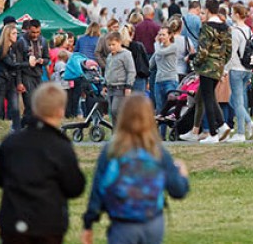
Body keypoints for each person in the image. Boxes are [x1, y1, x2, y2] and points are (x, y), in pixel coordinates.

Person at [81, 94, 189, 244]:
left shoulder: (112, 151)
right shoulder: (157, 152)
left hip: (122, 223)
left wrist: (89, 222)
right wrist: (182, 175)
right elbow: (178, 190)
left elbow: (98, 188)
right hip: (152, 222)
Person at [0, 83, 86, 244]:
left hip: (13, 221)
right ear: (60, 110)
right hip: (48, 224)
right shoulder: (60, 146)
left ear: (34, 107)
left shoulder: (12, 142)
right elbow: (75, 187)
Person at [180, 0, 232, 144]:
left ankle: (214, 133)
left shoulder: (207, 27)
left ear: (208, 10)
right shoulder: (226, 27)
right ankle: (220, 126)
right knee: (204, 97)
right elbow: (229, 50)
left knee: (208, 99)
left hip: (206, 67)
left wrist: (195, 62)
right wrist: (221, 63)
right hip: (218, 67)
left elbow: (202, 51)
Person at [0, 23, 33, 145]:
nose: (16, 36)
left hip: (11, 83)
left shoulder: (13, 49)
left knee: (15, 110)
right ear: (7, 35)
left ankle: (18, 135)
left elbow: (16, 65)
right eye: (14, 33)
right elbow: (12, 65)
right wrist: (28, 63)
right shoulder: (2, 50)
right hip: (1, 83)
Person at [224, 4, 253, 142]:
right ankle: (249, 122)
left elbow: (231, 53)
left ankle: (241, 133)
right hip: (247, 69)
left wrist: (225, 69)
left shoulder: (235, 31)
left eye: (232, 12)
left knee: (237, 101)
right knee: (236, 100)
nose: (231, 15)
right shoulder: (249, 30)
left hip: (236, 68)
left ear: (237, 14)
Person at [150, 26, 179, 140]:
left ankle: (175, 131)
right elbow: (152, 62)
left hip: (170, 79)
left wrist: (156, 44)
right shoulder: (158, 49)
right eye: (160, 34)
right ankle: (160, 135)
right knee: (160, 109)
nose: (161, 37)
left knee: (171, 106)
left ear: (170, 35)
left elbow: (161, 53)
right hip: (159, 80)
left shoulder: (173, 47)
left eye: (163, 34)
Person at [17, 19, 50, 121]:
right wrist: (19, 82)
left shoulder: (43, 41)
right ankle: (21, 128)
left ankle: (22, 128)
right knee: (30, 105)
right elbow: (17, 64)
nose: (35, 35)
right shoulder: (21, 41)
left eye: (38, 32)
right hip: (25, 75)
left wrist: (42, 61)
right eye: (33, 32)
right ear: (28, 30)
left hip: (38, 75)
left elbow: (47, 59)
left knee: (39, 104)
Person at [104, 32, 135, 123]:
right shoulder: (110, 56)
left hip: (120, 87)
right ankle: (115, 133)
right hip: (110, 87)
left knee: (116, 110)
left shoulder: (126, 54)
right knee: (112, 113)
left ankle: (123, 131)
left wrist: (128, 86)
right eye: (109, 45)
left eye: (113, 44)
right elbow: (107, 70)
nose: (111, 47)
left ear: (120, 42)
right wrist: (105, 84)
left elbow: (131, 71)